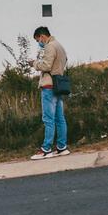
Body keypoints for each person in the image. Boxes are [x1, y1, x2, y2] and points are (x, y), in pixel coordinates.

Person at [29, 27, 70, 158]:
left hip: (48, 85)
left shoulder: (49, 46)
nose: (38, 43)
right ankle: (62, 147)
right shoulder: (60, 46)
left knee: (48, 119)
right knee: (60, 119)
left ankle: (46, 149)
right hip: (58, 85)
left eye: (37, 40)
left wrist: (34, 63)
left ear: (42, 36)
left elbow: (46, 66)